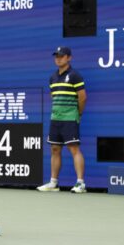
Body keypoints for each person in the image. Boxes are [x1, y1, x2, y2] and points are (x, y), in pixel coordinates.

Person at [37, 46, 87, 193]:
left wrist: (78, 114)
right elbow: (54, 96)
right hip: (55, 118)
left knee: (74, 149)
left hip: (70, 118)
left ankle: (80, 183)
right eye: (56, 56)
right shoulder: (52, 77)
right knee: (55, 149)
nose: (58, 58)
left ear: (69, 58)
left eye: (62, 56)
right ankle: (53, 183)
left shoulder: (75, 75)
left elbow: (82, 97)